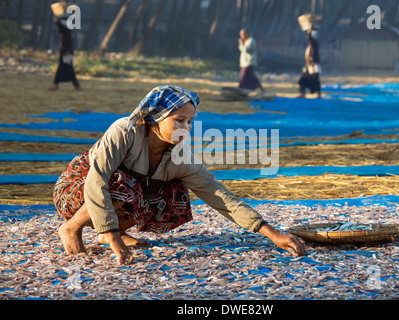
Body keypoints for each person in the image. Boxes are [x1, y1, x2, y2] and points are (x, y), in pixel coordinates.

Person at [54, 85, 305, 265]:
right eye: (179, 120)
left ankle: (106, 229)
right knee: (123, 184)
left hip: (111, 197)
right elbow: (97, 179)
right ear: (156, 118)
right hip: (75, 191)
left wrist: (272, 233)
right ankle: (72, 229)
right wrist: (114, 240)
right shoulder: (125, 131)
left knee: (174, 194)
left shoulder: (180, 156)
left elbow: (218, 195)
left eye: (190, 121)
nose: (185, 128)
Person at [49, 17, 81, 91]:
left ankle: (77, 86)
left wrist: (57, 22)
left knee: (69, 71)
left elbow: (62, 29)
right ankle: (57, 86)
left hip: (66, 54)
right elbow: (61, 29)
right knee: (63, 71)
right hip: (65, 53)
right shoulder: (67, 32)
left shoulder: (67, 32)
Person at [298, 30, 321, 98]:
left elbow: (309, 37)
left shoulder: (314, 43)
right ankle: (303, 93)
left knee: (315, 80)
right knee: (303, 79)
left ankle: (319, 94)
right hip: (308, 65)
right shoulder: (311, 45)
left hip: (314, 65)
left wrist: (309, 29)